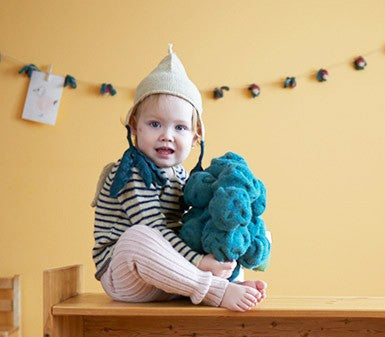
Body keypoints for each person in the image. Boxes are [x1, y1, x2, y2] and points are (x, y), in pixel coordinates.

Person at [92, 45, 266, 311]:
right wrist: (197, 261)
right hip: (125, 275)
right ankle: (214, 290)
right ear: (134, 127)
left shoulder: (183, 176)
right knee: (138, 236)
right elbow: (155, 229)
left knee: (221, 227)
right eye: (154, 124)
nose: (167, 135)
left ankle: (226, 280)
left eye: (180, 127)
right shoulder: (132, 172)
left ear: (195, 137)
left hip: (168, 276)